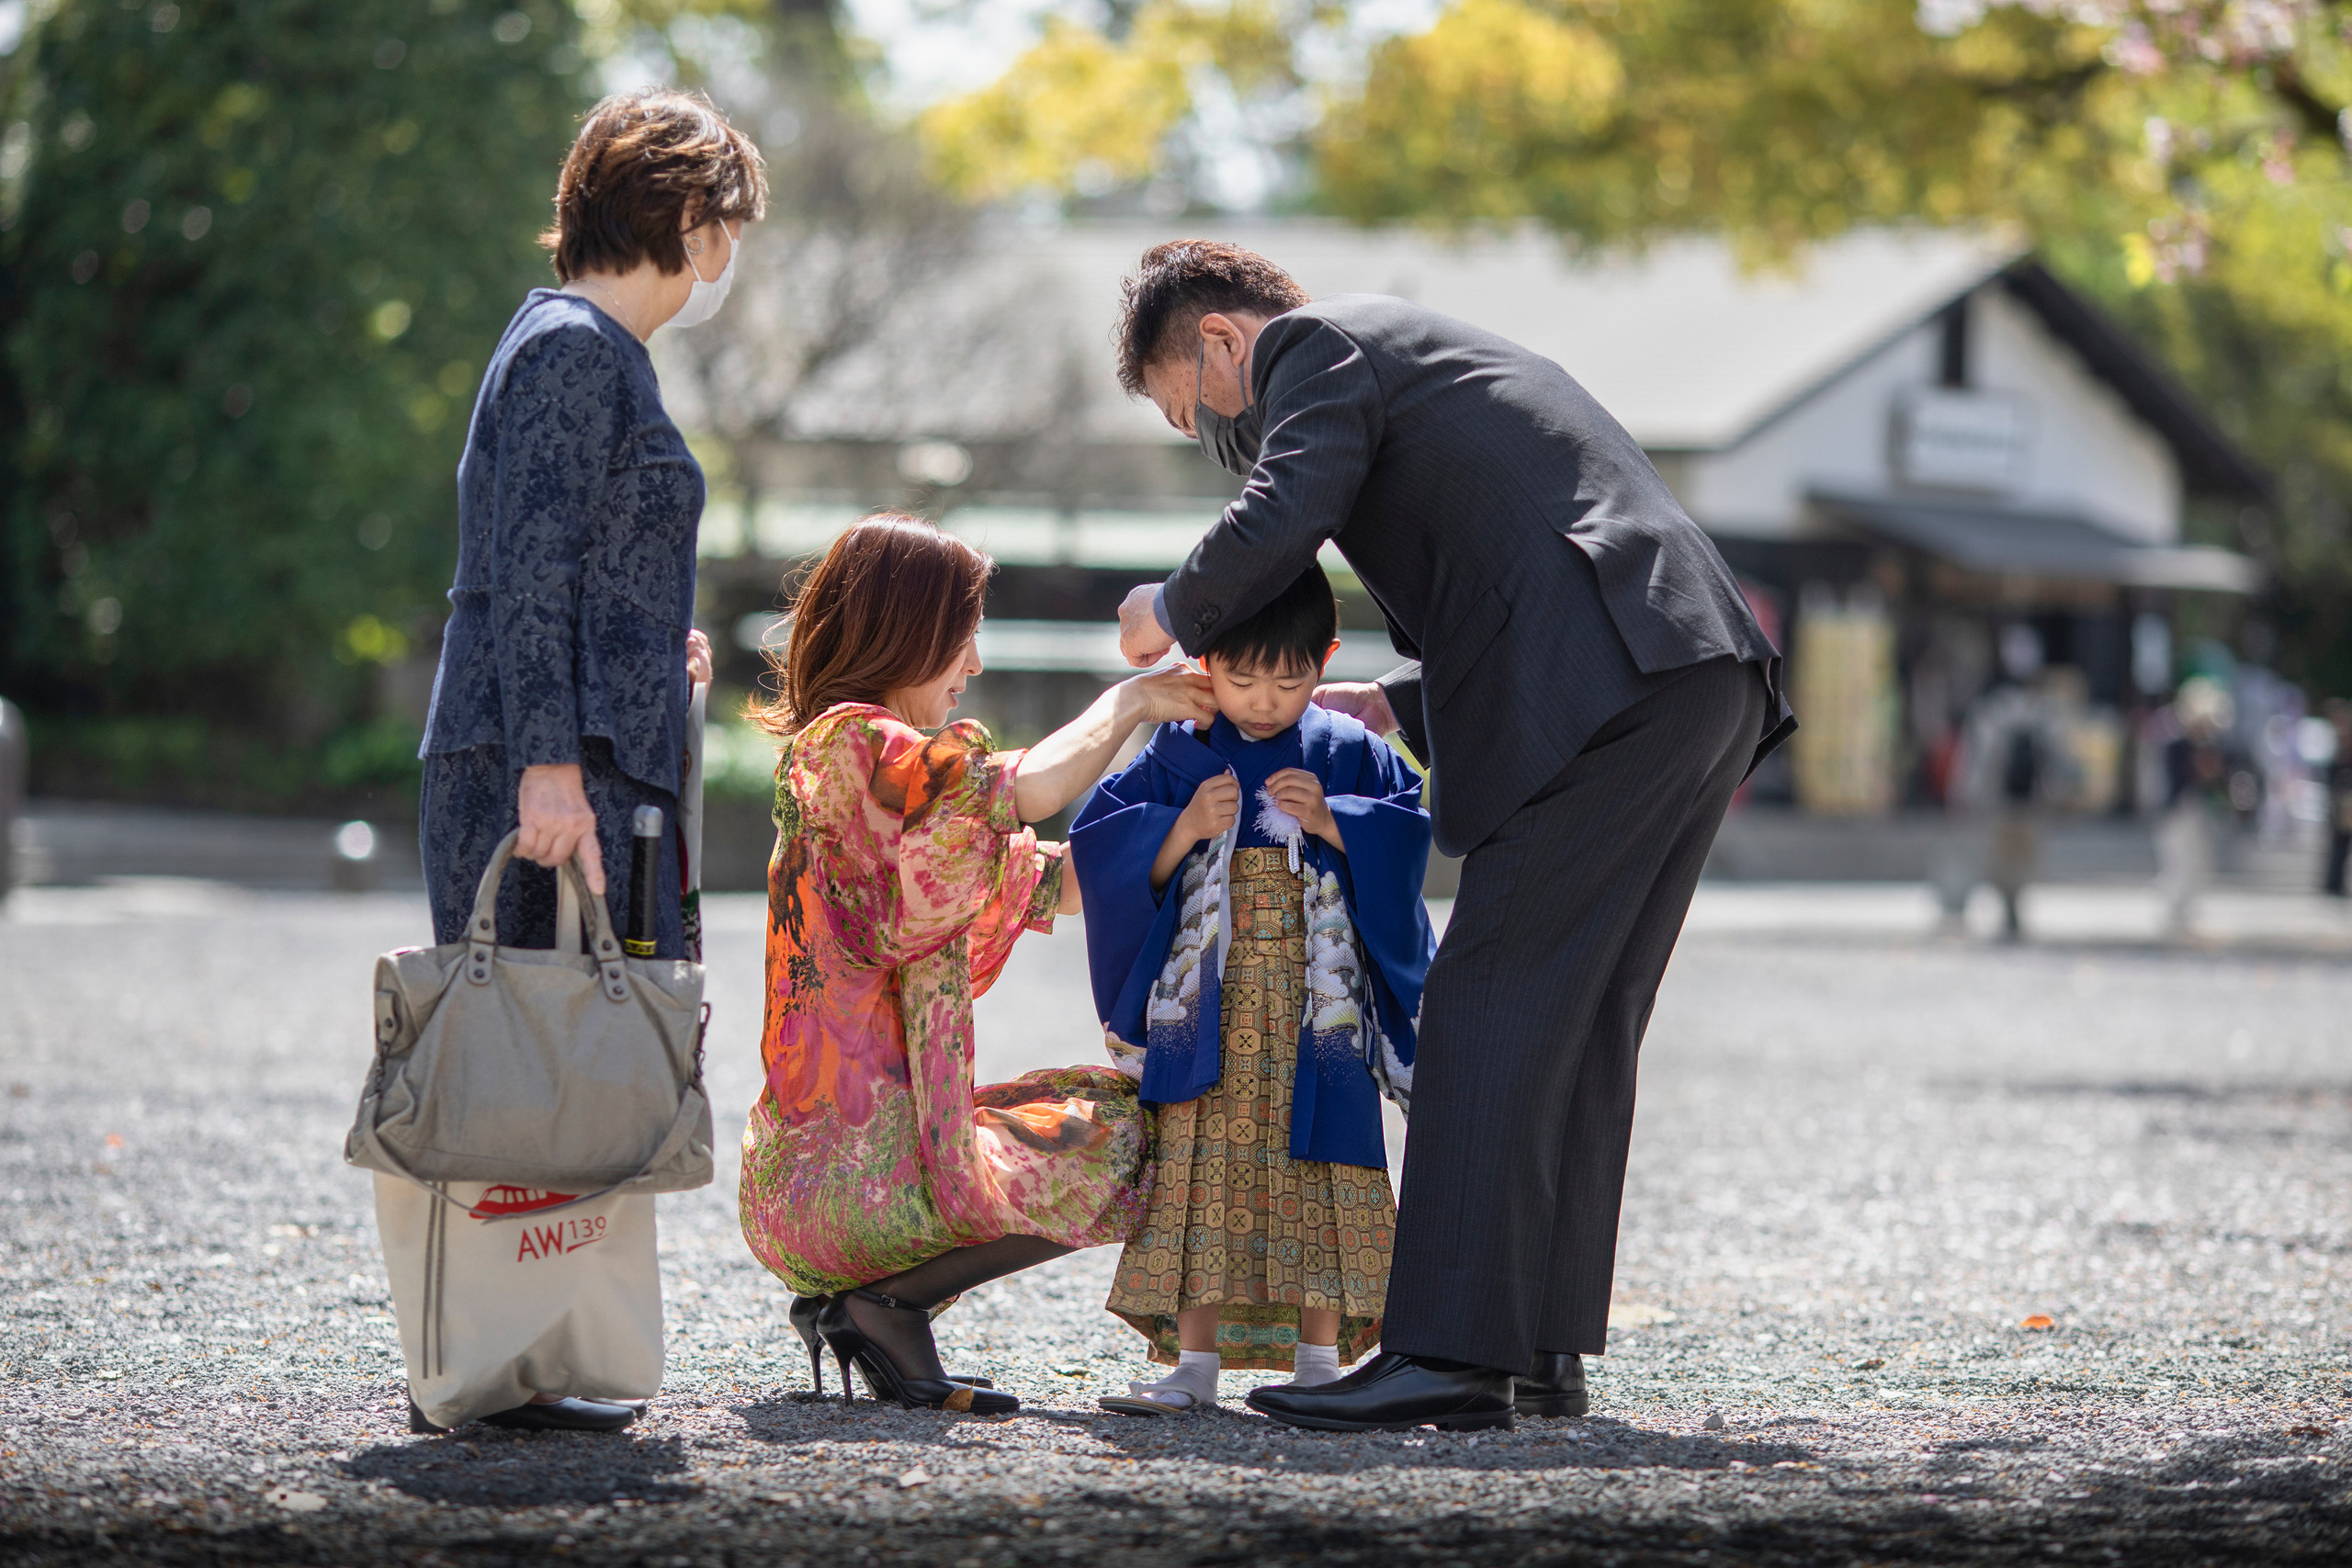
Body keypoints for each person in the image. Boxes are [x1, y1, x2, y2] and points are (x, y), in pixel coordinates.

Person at [1109, 241, 1793, 1432]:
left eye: (1195, 413)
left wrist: (1168, 609)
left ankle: (1447, 1353)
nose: (1220, 439)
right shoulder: (1410, 351)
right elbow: (1520, 554)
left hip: (1618, 682)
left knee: (1486, 993)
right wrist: (1393, 705)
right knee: (1580, 1018)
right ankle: (1535, 1350)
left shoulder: (1312, 345)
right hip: (1687, 668)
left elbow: (1289, 506)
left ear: (1222, 340)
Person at [413, 88, 765, 1434]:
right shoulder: (575, 347)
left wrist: (648, 650)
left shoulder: (584, 344)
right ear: (684, 216)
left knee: (558, 1061)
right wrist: (551, 763)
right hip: (541, 765)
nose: (728, 254)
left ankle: (527, 1352)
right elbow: (530, 571)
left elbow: (573, 567)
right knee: (527, 1058)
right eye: (727, 223)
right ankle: (491, 1358)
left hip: (571, 749)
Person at [738, 515, 1217, 1415]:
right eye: (963, 637)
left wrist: (1195, 826)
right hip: (854, 1182)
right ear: (907, 630)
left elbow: (1055, 884)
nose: (975, 664)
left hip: (813, 1178)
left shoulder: (862, 773)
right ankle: (886, 1302)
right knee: (1130, 1138)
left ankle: (875, 1305)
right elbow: (1025, 791)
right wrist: (1132, 701)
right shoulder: (853, 745)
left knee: (1116, 1117)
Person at [1069, 566, 1435, 1416]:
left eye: (1290, 679)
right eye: (1242, 678)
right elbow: (1101, 845)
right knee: (1198, 1163)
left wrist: (1336, 820)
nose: (1265, 701)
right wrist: (1182, 830)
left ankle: (1319, 1359)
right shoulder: (1181, 746)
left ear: (1326, 660)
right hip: (1210, 1003)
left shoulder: (1351, 751)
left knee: (1325, 1163)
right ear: (1205, 660)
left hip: (1321, 1005)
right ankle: (1193, 1362)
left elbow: (1409, 836)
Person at [2322, 699, 2352, 898]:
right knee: (2338, 844)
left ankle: (2335, 884)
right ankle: (2333, 884)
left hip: (2345, 801)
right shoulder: (2337, 747)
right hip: (2340, 802)